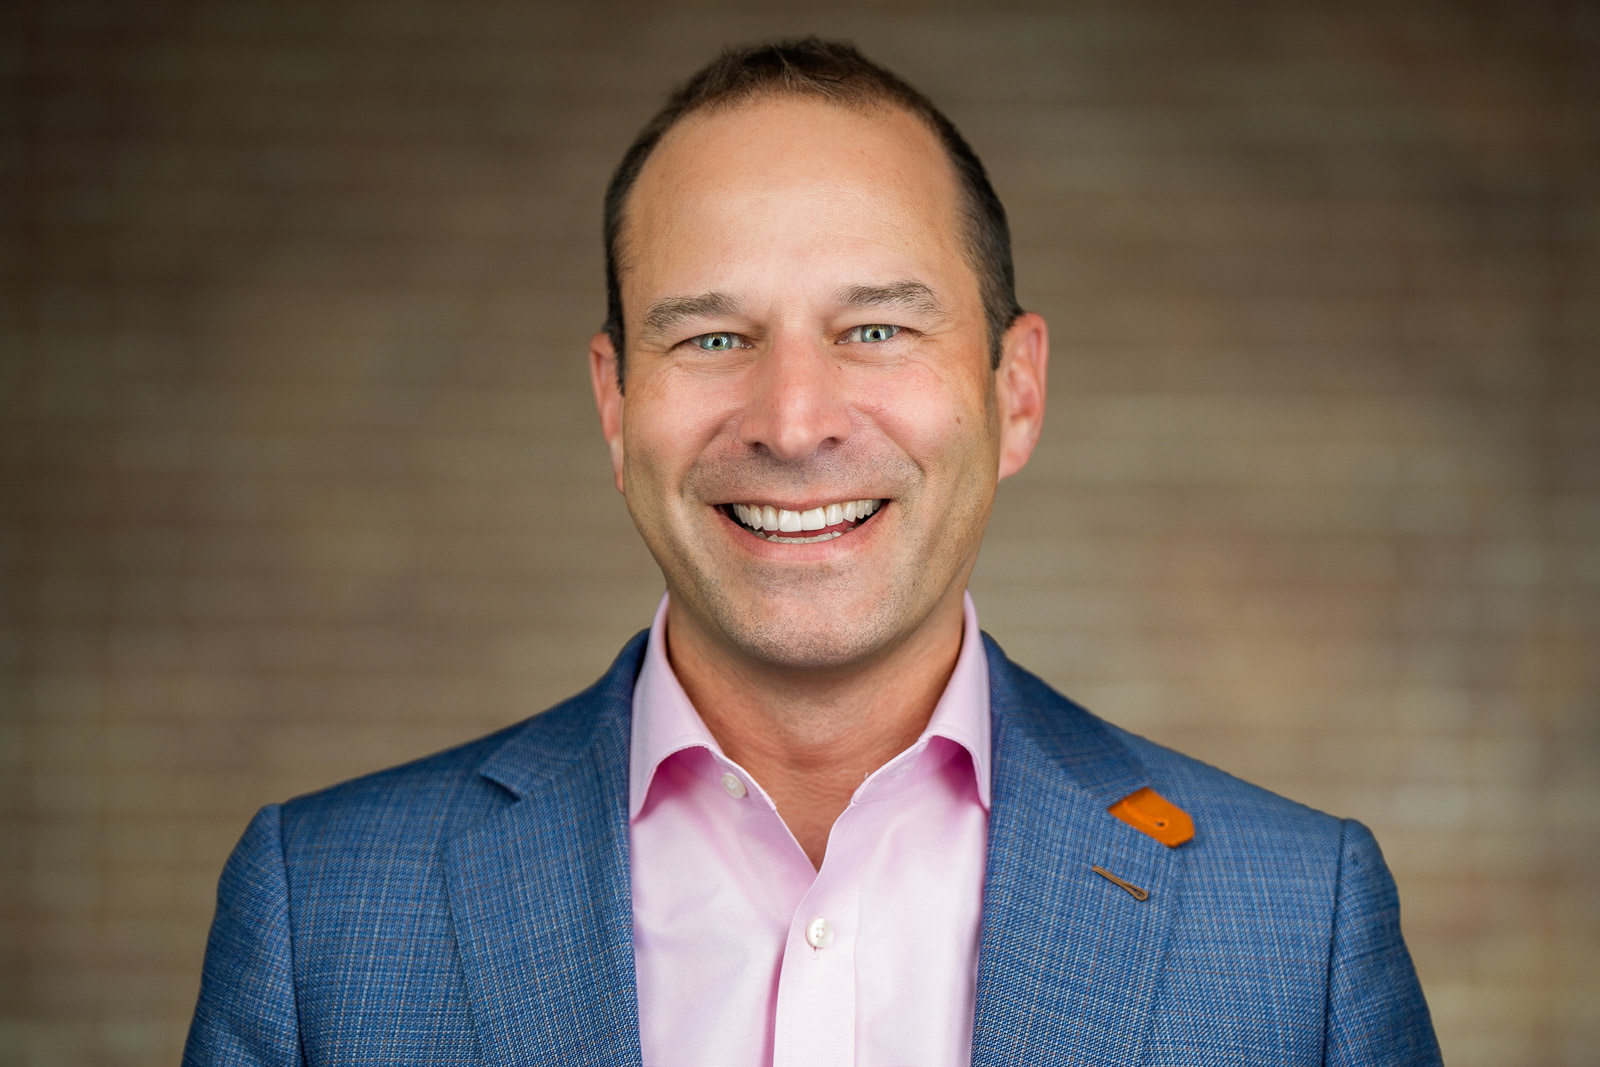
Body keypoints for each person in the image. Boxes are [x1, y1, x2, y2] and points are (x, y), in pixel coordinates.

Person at [185, 38, 1440, 1066]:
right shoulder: (325, 914)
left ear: (1015, 390)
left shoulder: (1296, 928)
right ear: (616, 404)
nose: (794, 421)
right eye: (712, 339)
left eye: (879, 329)